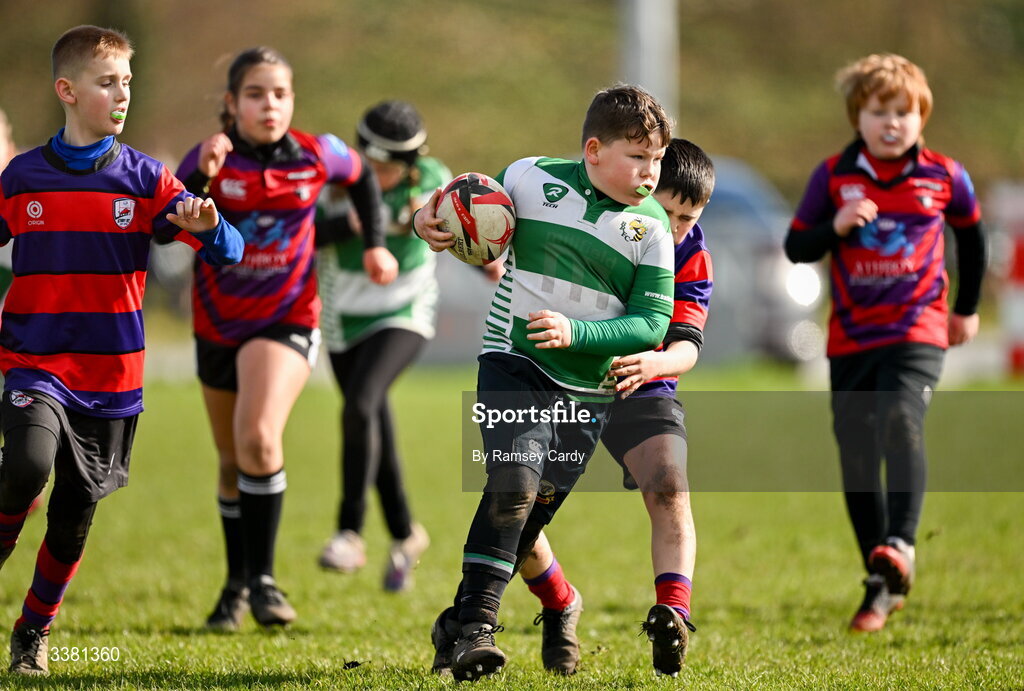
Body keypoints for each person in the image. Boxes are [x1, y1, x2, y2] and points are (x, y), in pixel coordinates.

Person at [0, 25, 243, 676]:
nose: (121, 93)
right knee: (25, 465)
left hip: (111, 376)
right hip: (34, 359)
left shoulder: (145, 179)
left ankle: (32, 630)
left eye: (127, 82)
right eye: (107, 82)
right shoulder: (20, 177)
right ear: (68, 91)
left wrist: (209, 224)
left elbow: (232, 251)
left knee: (74, 515)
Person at [416, 84, 675, 680]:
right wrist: (424, 220)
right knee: (512, 485)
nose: (649, 170)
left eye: (656, 158)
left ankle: (465, 621)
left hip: (588, 391)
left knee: (529, 518)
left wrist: (577, 333)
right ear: (593, 150)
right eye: (637, 156)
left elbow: (652, 322)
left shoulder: (652, 226)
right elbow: (456, 205)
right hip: (513, 361)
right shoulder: (530, 178)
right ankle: (477, 629)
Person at [176, 47, 397, 631]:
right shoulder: (213, 159)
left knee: (258, 437)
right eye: (255, 94)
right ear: (231, 104)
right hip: (217, 321)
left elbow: (364, 179)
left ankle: (265, 581)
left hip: (287, 317)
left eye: (279, 93)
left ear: (292, 99)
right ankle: (235, 585)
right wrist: (199, 170)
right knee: (231, 463)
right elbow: (167, 213)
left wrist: (374, 241)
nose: (269, 104)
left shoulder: (317, 153)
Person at [784, 54, 985, 633]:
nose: (892, 123)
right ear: (858, 117)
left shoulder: (946, 175)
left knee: (900, 417)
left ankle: (901, 542)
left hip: (917, 329)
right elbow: (797, 247)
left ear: (922, 117)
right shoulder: (832, 176)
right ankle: (880, 578)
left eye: (904, 112)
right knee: (855, 454)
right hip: (850, 337)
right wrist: (837, 225)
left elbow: (972, 241)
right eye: (879, 112)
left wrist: (966, 308)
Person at [508, 138, 714, 678]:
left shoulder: (690, 252)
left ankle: (673, 612)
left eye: (687, 218)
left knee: (670, 483)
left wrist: (655, 363)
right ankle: (559, 601)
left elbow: (688, 345)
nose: (672, 228)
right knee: (516, 515)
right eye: (665, 210)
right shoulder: (594, 221)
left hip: (639, 383)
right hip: (562, 381)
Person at [315, 101, 449, 591]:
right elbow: (297, 235)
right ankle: (405, 535)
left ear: (411, 164)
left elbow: (457, 225)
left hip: (404, 312)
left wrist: (486, 263)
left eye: (388, 169)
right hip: (343, 317)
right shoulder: (330, 179)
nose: (378, 176)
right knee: (370, 419)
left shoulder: (431, 181)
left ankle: (349, 531)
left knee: (362, 403)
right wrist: (347, 224)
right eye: (370, 166)